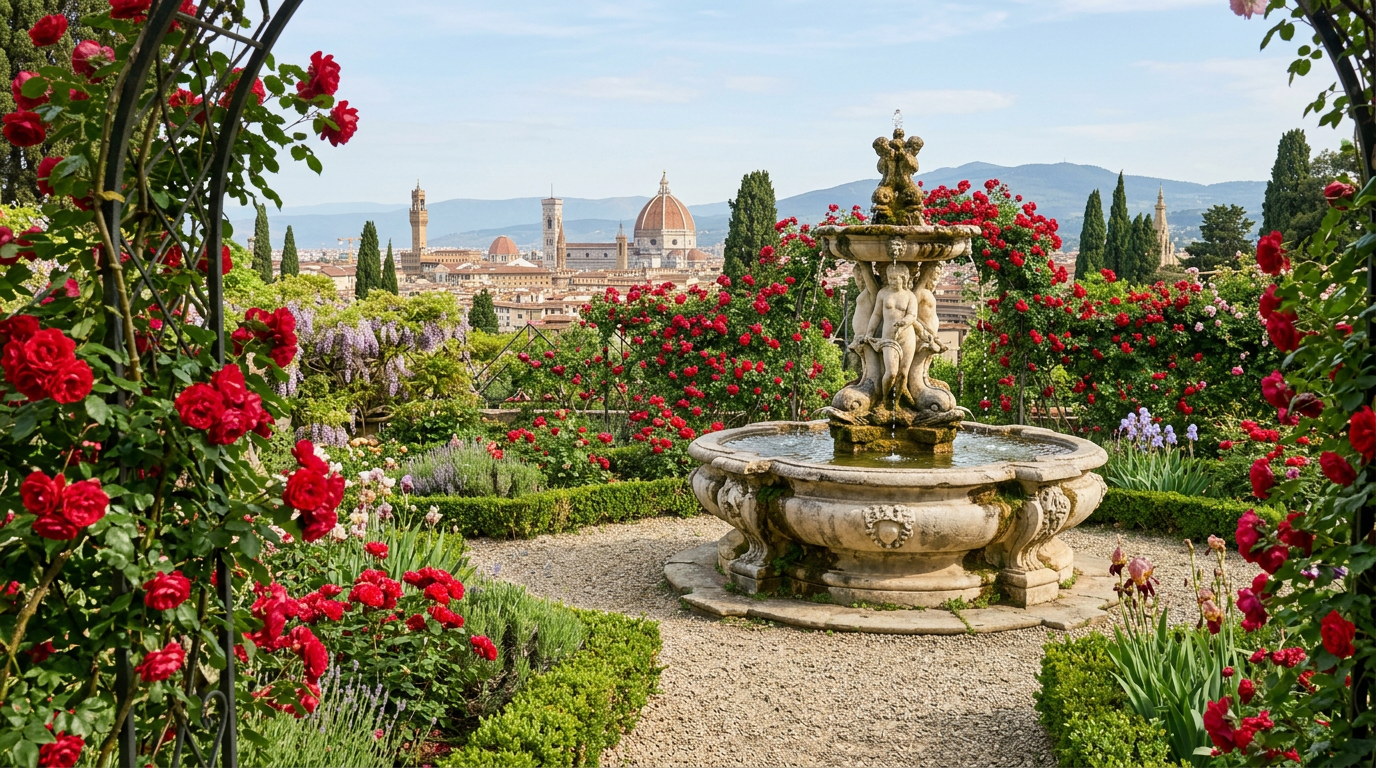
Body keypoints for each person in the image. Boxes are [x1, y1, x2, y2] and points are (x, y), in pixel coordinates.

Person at [866, 261, 919, 408]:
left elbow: (912, 315)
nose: (892, 280)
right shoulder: (883, 293)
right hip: (888, 337)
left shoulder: (910, 296)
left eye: (896, 278)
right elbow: (876, 315)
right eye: (890, 277)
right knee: (891, 373)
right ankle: (884, 399)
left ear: (904, 278)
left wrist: (904, 322)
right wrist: (869, 332)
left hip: (907, 336)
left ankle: (895, 404)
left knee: (903, 374)